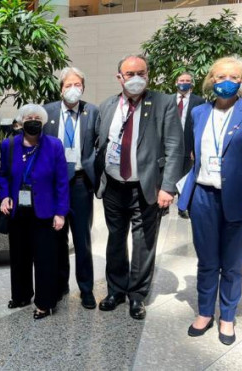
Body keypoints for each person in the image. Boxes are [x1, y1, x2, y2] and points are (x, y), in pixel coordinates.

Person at [178, 56, 242, 345]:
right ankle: (206, 312)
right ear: (210, 81)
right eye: (219, 77)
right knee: (207, 262)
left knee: (232, 264)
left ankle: (228, 316)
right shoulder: (199, 113)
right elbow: (192, 153)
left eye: (233, 76)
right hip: (204, 197)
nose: (226, 82)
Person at [94, 54, 183, 320]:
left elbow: (175, 147)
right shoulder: (108, 105)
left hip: (146, 187)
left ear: (148, 74)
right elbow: (101, 144)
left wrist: (168, 187)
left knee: (144, 243)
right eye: (129, 74)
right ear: (119, 77)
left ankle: (137, 296)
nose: (136, 79)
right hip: (113, 186)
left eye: (140, 73)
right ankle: (116, 290)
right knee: (115, 241)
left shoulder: (164, 103)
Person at [0, 104, 69, 320]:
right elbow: (3, 175)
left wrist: (61, 212)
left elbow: (62, 181)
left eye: (37, 117)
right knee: (19, 255)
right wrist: (5, 195)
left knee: (45, 258)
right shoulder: (9, 145)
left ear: (44, 121)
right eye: (29, 117)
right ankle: (21, 295)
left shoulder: (54, 145)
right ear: (20, 122)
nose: (33, 121)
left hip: (45, 210)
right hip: (18, 209)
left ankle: (44, 303)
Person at [43, 66, 100, 309]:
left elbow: (100, 144)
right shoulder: (48, 112)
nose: (73, 89)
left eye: (77, 85)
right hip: (55, 185)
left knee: (81, 238)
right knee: (57, 238)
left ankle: (86, 289)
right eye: (68, 85)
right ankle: (59, 285)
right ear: (61, 89)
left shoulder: (92, 112)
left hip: (79, 183)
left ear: (83, 88)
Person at [174, 71, 206, 177]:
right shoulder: (168, 100)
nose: (184, 82)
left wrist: (195, 148)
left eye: (188, 81)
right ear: (176, 82)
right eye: (182, 80)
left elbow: (200, 126)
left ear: (191, 83)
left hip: (188, 147)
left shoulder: (199, 101)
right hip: (171, 146)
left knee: (185, 178)